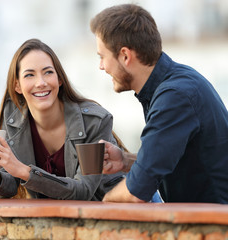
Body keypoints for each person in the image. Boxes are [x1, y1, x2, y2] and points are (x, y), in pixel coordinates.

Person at [90, 4, 228, 203]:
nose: (101, 66)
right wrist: (125, 161)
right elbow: (169, 158)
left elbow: (136, 191)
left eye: (102, 57)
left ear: (125, 56)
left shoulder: (174, 97)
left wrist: (103, 205)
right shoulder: (175, 83)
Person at [0, 38, 125, 200]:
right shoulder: (14, 122)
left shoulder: (94, 122)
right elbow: (12, 184)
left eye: (48, 72)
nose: (41, 83)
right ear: (17, 85)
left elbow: (83, 190)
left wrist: (25, 171)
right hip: (54, 221)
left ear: (59, 79)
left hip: (112, 215)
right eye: (29, 75)